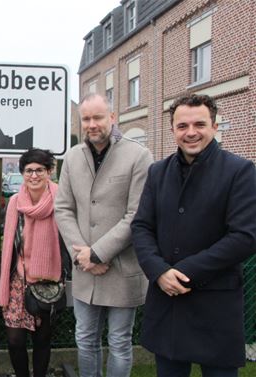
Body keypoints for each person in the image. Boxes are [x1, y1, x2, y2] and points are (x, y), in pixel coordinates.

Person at [131, 94, 256, 377]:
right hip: (168, 304)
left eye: (199, 124)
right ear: (173, 129)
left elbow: (245, 237)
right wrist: (159, 272)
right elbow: (141, 227)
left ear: (214, 126)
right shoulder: (157, 172)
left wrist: (182, 272)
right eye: (182, 125)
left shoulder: (240, 171)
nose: (191, 133)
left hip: (216, 307)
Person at [54, 93, 153, 377]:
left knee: (119, 343)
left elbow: (137, 215)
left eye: (98, 117)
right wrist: (83, 254)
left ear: (112, 117)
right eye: (86, 118)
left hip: (122, 268)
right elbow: (63, 208)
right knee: (85, 339)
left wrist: (98, 253)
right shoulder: (72, 156)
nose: (92, 124)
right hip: (85, 268)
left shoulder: (138, 155)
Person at [0, 148, 64, 377]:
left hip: (46, 282)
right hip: (18, 280)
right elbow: (9, 241)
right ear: (22, 173)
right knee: (14, 340)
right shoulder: (16, 202)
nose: (34, 175)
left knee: (42, 339)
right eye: (29, 171)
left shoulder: (60, 199)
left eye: (39, 170)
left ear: (49, 172)